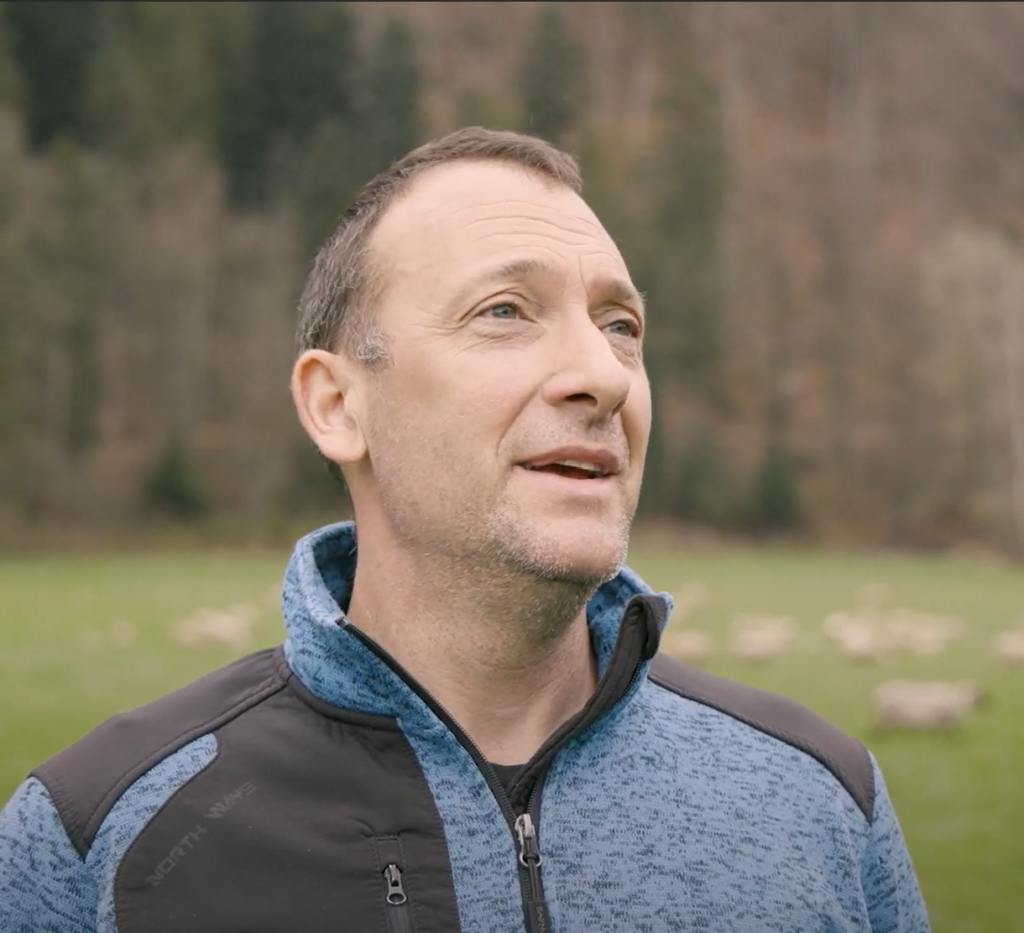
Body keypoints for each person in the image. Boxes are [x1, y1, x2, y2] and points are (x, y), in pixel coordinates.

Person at [0, 127, 929, 933]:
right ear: (336, 405)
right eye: (504, 312)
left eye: (621, 324)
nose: (603, 375)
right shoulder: (94, 833)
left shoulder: (818, 799)